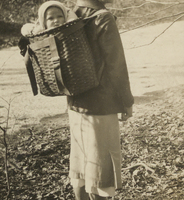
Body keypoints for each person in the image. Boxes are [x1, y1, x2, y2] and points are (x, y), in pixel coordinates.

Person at [67, 0, 134, 199]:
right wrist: (127, 101)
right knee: (101, 170)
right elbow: (116, 64)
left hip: (75, 104)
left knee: (81, 167)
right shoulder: (102, 17)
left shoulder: (70, 15)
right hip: (101, 106)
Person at [18, 0, 77, 95]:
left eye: (60, 16)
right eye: (50, 18)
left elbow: (71, 17)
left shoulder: (68, 29)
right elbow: (26, 29)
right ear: (43, 22)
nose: (56, 20)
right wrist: (33, 31)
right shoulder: (40, 32)